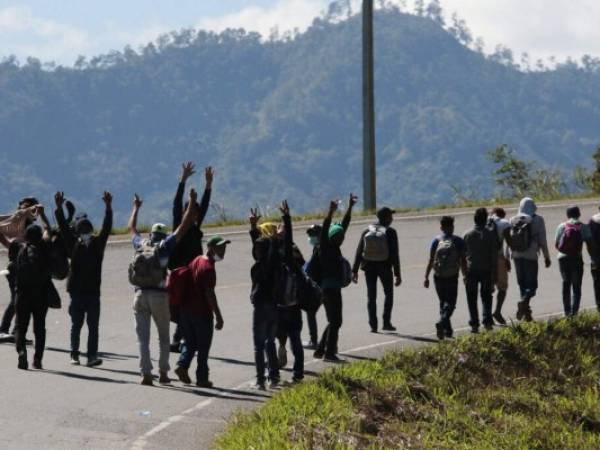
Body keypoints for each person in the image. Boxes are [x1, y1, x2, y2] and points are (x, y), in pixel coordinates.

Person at [128, 190, 197, 386]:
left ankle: (146, 374)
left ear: (151, 234)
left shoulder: (141, 245)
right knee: (164, 338)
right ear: (164, 235)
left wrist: (136, 208)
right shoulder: (166, 246)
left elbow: (131, 228)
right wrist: (191, 202)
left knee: (143, 339)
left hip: (140, 295)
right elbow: (183, 227)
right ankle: (164, 373)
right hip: (159, 296)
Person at [54, 191, 113, 367]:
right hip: (77, 293)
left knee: (93, 326)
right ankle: (74, 354)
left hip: (93, 292)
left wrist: (108, 208)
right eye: (82, 229)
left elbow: (107, 227)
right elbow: (64, 228)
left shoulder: (98, 243)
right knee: (76, 325)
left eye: (87, 229)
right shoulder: (74, 244)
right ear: (78, 232)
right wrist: (58, 209)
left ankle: (92, 356)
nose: (86, 232)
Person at [168, 163, 214, 352]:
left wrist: (208, 185)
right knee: (179, 306)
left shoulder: (196, 227)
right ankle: (179, 338)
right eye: (191, 211)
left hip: (194, 273)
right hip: (180, 272)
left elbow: (204, 206)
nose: (195, 214)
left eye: (195, 212)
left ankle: (179, 339)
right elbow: (177, 202)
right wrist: (183, 180)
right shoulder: (179, 227)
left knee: (188, 306)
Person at [174, 235, 227, 388]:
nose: (223, 251)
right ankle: (202, 378)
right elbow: (209, 293)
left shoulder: (197, 260)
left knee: (190, 342)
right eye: (220, 248)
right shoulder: (208, 268)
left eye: (224, 248)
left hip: (186, 310)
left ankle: (182, 365)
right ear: (211, 248)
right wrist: (218, 316)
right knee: (203, 347)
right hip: (201, 313)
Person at [314, 194, 357, 363]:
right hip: (329, 288)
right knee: (336, 321)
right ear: (332, 237)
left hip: (332, 288)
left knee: (334, 320)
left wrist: (350, 207)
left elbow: (344, 226)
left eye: (342, 236)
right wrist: (330, 212)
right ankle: (329, 353)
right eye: (339, 236)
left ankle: (321, 349)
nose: (342, 238)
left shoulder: (335, 246)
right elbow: (326, 228)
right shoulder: (325, 247)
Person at [14, 205, 53, 370]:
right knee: (39, 327)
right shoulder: (44, 248)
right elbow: (49, 230)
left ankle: (22, 351)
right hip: (41, 295)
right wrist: (43, 215)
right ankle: (37, 359)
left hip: (22, 295)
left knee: (20, 327)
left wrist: (24, 215)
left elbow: (17, 232)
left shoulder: (19, 249)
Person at [352, 207, 401, 333]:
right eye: (390, 216)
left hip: (369, 267)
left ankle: (373, 325)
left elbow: (359, 251)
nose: (392, 218)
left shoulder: (367, 230)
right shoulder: (390, 232)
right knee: (388, 294)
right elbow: (395, 254)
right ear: (386, 218)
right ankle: (386, 322)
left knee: (371, 297)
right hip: (384, 266)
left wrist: (355, 270)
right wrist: (397, 274)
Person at [248, 208, 280, 389]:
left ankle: (260, 379)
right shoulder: (273, 262)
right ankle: (273, 377)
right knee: (269, 343)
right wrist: (254, 227)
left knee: (259, 345)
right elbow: (262, 246)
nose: (256, 251)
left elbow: (262, 248)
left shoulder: (263, 265)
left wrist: (254, 227)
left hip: (261, 307)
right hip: (273, 306)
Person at [0, 197, 41, 341]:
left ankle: (16, 332)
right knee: (16, 299)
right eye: (25, 207)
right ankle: (3, 330)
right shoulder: (17, 220)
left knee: (22, 300)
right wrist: (9, 245)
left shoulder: (27, 223)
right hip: (15, 266)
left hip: (25, 267)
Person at [424, 216, 466, 340]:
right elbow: (463, 260)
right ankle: (442, 323)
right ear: (452, 227)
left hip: (438, 276)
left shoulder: (436, 241)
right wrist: (465, 275)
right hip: (452, 276)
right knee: (450, 304)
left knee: (443, 302)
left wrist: (426, 276)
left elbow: (431, 260)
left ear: (441, 228)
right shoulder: (458, 241)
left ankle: (448, 330)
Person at [509, 197, 551, 322]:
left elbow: (509, 239)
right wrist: (546, 256)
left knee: (522, 284)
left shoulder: (512, 219)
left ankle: (527, 314)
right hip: (531, 255)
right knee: (532, 285)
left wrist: (508, 256)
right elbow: (543, 240)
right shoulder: (538, 219)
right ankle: (524, 302)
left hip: (516, 255)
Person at [276, 200, 304, 383]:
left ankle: (282, 350)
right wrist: (287, 219)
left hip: (281, 303)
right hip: (292, 303)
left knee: (287, 336)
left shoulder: (275, 252)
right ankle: (297, 373)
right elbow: (303, 265)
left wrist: (286, 220)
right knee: (296, 339)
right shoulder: (291, 251)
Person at [463, 208, 498, 333]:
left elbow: (462, 255)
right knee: (486, 297)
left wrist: (463, 273)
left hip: (471, 269)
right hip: (486, 269)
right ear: (485, 219)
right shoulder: (490, 234)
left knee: (471, 298)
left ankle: (474, 323)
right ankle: (487, 321)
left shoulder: (467, 234)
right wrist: (495, 274)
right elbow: (494, 256)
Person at [555, 206, 593, 317]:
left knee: (566, 284)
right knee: (576, 287)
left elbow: (557, 244)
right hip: (576, 258)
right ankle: (574, 313)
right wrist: (593, 258)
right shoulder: (583, 227)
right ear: (579, 214)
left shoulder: (561, 226)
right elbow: (590, 245)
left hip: (562, 258)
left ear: (567, 215)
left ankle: (566, 313)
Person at [489, 208, 512, 325]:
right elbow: (510, 243)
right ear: (502, 215)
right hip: (498, 259)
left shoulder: (485, 221)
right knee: (502, 287)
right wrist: (507, 259)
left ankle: (487, 316)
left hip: (485, 260)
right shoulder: (504, 223)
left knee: (488, 288)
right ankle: (497, 311)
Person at [303, 224, 322, 349]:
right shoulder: (318, 247)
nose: (310, 238)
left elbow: (311, 268)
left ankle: (314, 341)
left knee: (310, 312)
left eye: (312, 235)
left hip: (320, 287)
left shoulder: (319, 248)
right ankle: (331, 343)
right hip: (323, 286)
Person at [588, 207, 600, 310]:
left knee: (597, 284)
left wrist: (592, 256)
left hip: (596, 259)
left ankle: (599, 306)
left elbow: (589, 241)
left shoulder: (592, 221)